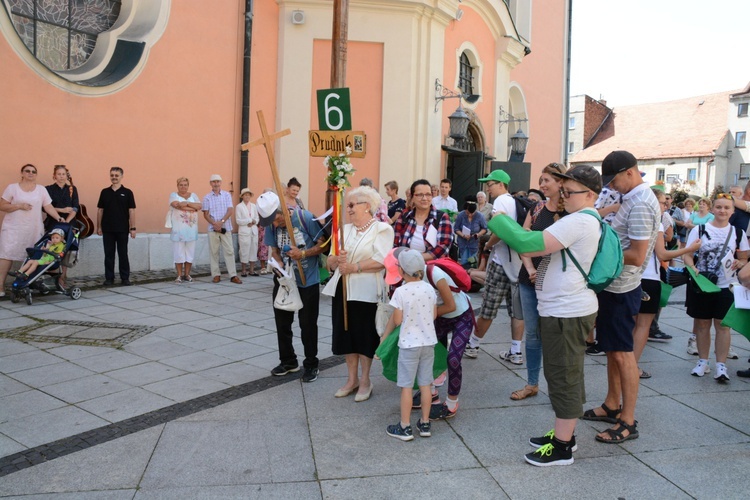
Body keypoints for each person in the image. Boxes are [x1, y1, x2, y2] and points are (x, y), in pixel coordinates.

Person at [581, 151, 660, 444]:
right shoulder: (632, 198)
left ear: (630, 172)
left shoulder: (639, 204)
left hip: (623, 287)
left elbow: (638, 255)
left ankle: (628, 420)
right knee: (613, 350)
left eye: (614, 180)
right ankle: (612, 404)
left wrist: (598, 254)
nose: (611, 187)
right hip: (616, 286)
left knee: (624, 354)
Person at [324, 186, 394, 401]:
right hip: (342, 289)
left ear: (367, 206)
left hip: (366, 292)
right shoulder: (343, 230)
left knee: (364, 336)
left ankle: (365, 380)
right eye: (348, 205)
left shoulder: (382, 229)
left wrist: (354, 267)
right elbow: (329, 260)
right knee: (346, 335)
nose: (349, 209)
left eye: (353, 205)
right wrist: (336, 260)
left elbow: (381, 260)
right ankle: (351, 379)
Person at [512, 162, 568, 401]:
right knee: (533, 334)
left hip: (557, 283)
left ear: (560, 182)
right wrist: (529, 267)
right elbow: (521, 240)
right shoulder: (536, 209)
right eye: (541, 180)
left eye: (546, 180)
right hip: (529, 279)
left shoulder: (572, 213)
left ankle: (559, 389)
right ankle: (532, 383)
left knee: (557, 337)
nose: (541, 185)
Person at [633, 189, 702, 379]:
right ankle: (632, 367)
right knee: (642, 326)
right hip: (649, 277)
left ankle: (623, 365)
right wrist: (690, 249)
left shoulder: (631, 216)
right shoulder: (656, 221)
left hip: (630, 277)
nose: (666, 206)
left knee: (631, 323)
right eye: (663, 203)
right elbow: (662, 254)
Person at [259, 191, 327, 381]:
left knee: (307, 324)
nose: (274, 224)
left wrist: (303, 254)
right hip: (285, 280)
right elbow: (274, 250)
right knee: (282, 322)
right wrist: (278, 263)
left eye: (276, 219)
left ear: (284, 211)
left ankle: (311, 363)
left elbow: (324, 245)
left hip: (308, 280)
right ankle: (288, 360)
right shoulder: (272, 226)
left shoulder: (305, 218)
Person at [683, 194, 749, 382]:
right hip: (703, 284)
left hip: (726, 285)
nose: (722, 211)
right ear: (713, 209)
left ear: (732, 211)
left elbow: (744, 258)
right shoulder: (700, 229)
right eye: (719, 207)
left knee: (723, 326)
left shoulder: (738, 233)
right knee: (702, 325)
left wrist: (739, 262)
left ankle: (721, 365)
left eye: (727, 208)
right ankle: (703, 361)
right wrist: (693, 267)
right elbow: (687, 254)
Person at [464, 170, 524, 364]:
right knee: (516, 311)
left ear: (500, 184)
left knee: (489, 306)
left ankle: (473, 345)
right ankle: (516, 351)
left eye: (490, 184)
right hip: (516, 262)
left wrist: (489, 245)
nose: (487, 188)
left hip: (500, 262)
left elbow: (501, 228)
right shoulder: (514, 201)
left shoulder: (500, 202)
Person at [381, 248, 437, 441]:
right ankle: (425, 423)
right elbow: (434, 314)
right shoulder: (430, 289)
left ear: (401, 271)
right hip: (428, 343)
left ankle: (405, 427)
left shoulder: (401, 292)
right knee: (425, 384)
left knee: (406, 386)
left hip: (409, 345)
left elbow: (397, 320)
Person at [0, 164, 65, 296]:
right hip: (13, 228)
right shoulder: (12, 188)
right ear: (22, 173)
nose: (31, 173)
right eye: (27, 171)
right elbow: (2, 205)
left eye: (33, 172)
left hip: (33, 229)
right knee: (7, 255)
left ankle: (28, 284)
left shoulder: (41, 189)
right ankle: (0, 286)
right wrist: (19, 206)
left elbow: (48, 206)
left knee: (35, 256)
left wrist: (59, 218)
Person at [393, 179, 453, 262]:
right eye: (420, 195)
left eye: (428, 194)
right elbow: (395, 245)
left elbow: (443, 248)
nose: (425, 198)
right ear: (412, 197)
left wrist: (415, 258)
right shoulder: (404, 217)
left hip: (432, 269)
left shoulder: (442, 218)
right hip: (405, 268)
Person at [96, 166, 136, 287]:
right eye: (112, 175)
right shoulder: (104, 192)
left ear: (121, 177)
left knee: (123, 254)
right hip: (107, 229)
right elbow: (100, 210)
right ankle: (109, 278)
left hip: (122, 229)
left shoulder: (128, 192)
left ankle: (125, 278)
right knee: (109, 255)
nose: (114, 177)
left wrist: (133, 228)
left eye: (116, 175)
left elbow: (132, 211)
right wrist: (99, 227)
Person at [202, 174, 241, 284]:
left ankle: (233, 275)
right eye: (214, 181)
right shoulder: (207, 197)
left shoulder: (227, 195)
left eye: (218, 181)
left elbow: (230, 210)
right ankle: (216, 274)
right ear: (210, 183)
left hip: (226, 227)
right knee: (214, 252)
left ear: (221, 183)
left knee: (229, 251)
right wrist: (215, 224)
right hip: (212, 228)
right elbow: (205, 214)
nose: (216, 183)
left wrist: (221, 222)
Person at [45, 165, 79, 286]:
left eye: (63, 174)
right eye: (59, 174)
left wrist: (67, 220)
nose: (61, 176)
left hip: (69, 225)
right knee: (52, 249)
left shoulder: (72, 189)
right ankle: (51, 275)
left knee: (66, 251)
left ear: (66, 176)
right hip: (53, 224)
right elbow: (45, 207)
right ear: (54, 176)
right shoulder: (48, 189)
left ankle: (62, 278)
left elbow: (75, 207)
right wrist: (62, 210)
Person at [169, 177, 201, 283]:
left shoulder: (194, 195)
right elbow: (176, 205)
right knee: (178, 253)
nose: (183, 187)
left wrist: (186, 204)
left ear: (188, 185)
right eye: (181, 185)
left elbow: (200, 206)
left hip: (191, 230)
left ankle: (187, 274)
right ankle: (179, 275)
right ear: (177, 185)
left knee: (190, 253)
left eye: (185, 184)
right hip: (178, 230)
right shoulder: (174, 195)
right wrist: (193, 207)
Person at [453, 194, 487, 266]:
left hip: (474, 244)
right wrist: (463, 235)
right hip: (463, 243)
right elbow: (456, 228)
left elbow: (484, 228)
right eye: (468, 213)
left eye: (472, 213)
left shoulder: (480, 216)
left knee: (473, 264)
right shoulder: (461, 215)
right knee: (464, 263)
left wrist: (478, 234)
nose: (470, 215)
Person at [235, 188, 259, 277]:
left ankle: (252, 270)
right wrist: (249, 221)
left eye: (248, 195)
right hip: (244, 231)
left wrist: (253, 221)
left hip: (253, 230)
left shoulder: (253, 206)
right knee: (244, 250)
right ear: (242, 196)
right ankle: (243, 270)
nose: (247, 196)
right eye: (245, 195)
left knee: (253, 249)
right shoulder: (239, 206)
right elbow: (238, 220)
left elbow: (257, 218)